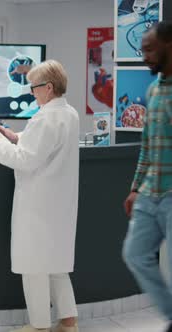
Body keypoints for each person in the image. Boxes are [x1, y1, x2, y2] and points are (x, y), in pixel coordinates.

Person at [0, 60, 80, 332]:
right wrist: (15, 136)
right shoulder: (68, 113)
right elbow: (41, 144)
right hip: (58, 202)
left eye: (34, 87)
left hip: (39, 204)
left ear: (48, 88)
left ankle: (39, 326)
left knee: (35, 266)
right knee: (55, 264)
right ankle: (68, 320)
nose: (32, 92)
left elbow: (26, 160)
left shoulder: (46, 117)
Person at [122, 21, 172, 332]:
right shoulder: (153, 88)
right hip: (150, 192)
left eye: (150, 50)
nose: (145, 57)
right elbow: (147, 145)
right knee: (135, 254)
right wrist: (135, 188)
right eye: (142, 50)